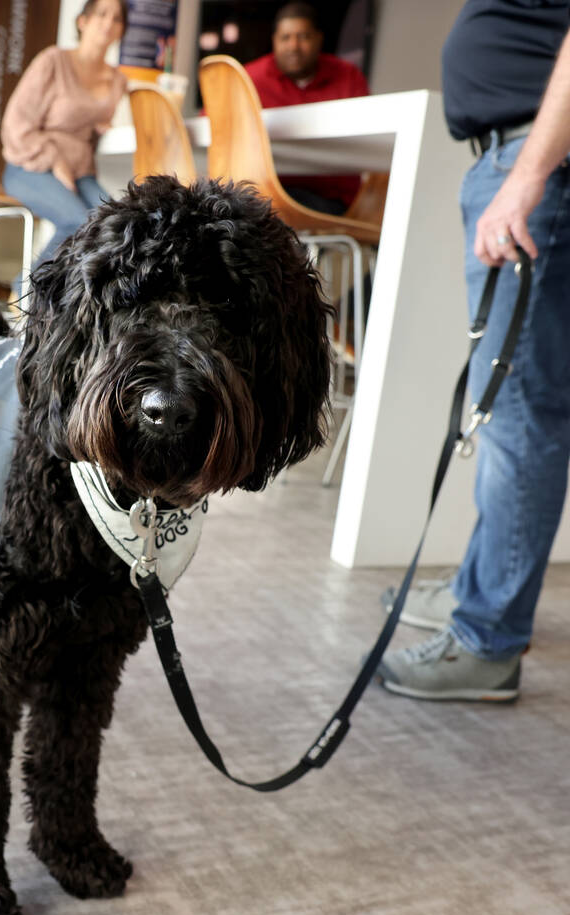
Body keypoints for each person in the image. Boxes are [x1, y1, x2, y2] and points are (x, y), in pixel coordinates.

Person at [376, 0, 570, 702]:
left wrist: (528, 173)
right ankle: (479, 591)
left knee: (519, 414)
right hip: (523, 154)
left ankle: (488, 638)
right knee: (515, 412)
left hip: (539, 159)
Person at [0, 0, 128, 280]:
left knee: (115, 226)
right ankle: (29, 291)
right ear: (82, 21)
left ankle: (76, 307)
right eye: (101, 14)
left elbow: (82, 126)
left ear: (121, 29)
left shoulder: (118, 81)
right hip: (30, 165)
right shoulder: (53, 61)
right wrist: (55, 160)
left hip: (80, 172)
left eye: (117, 18)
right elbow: (15, 125)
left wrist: (97, 127)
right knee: (76, 221)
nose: (108, 23)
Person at [243, 2, 370, 215]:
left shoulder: (348, 76)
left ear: (319, 39)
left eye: (303, 37)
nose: (294, 46)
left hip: (332, 197)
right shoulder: (249, 79)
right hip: (270, 191)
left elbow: (368, 135)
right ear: (274, 41)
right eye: (285, 37)